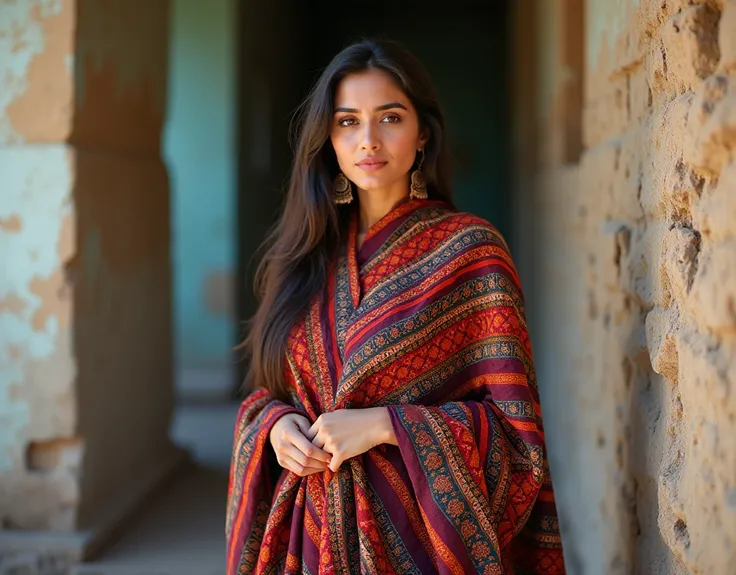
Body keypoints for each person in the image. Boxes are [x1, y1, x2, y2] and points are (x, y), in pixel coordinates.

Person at [226, 38, 565, 575]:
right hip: (309, 546)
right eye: (347, 122)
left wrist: (387, 425)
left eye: (389, 117)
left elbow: (516, 441)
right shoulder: (305, 257)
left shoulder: (470, 252)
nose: (368, 140)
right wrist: (274, 426)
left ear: (422, 133)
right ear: (328, 140)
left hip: (420, 548)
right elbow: (269, 390)